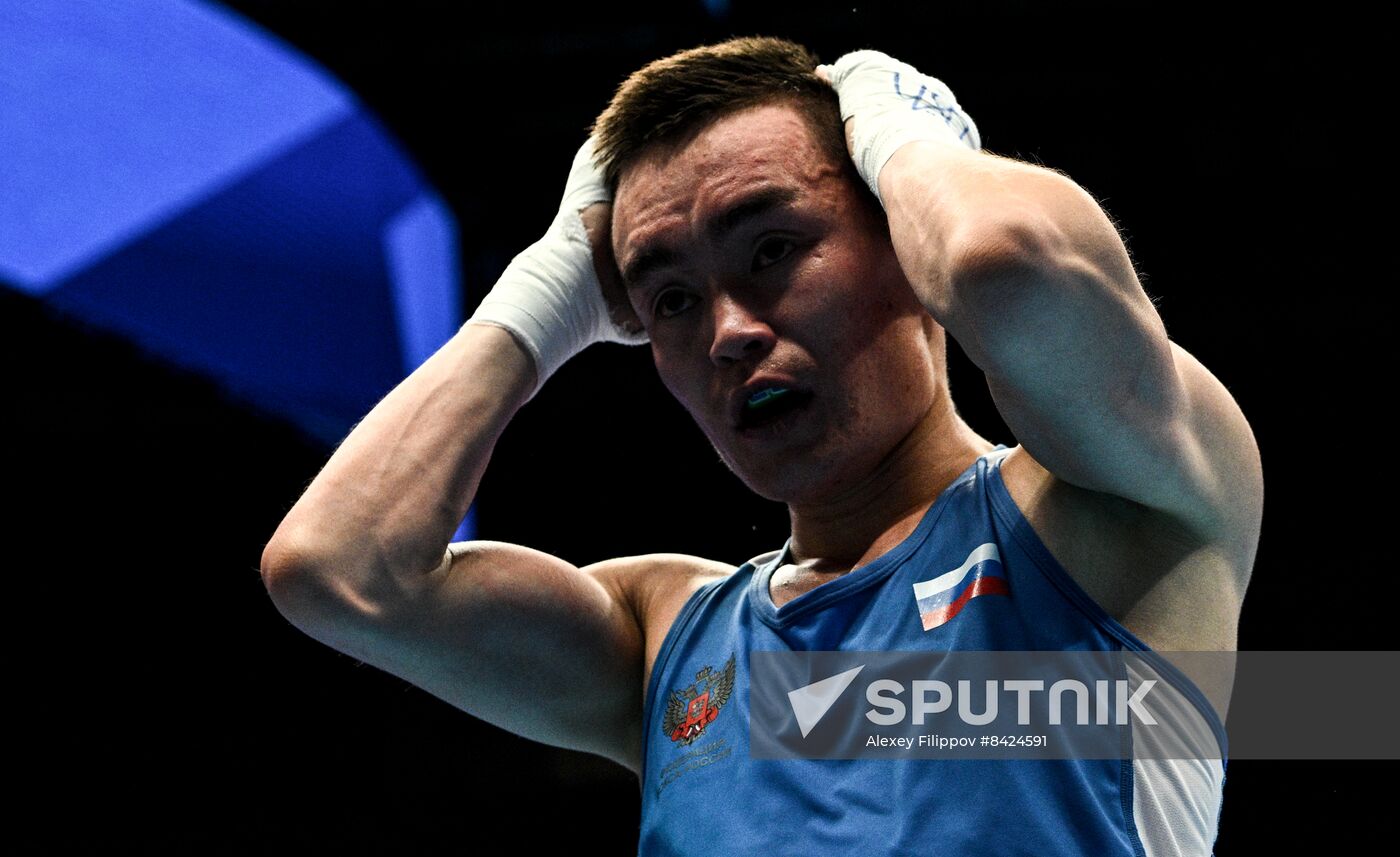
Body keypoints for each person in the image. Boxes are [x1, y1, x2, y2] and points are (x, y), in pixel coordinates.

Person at [260, 37, 1262, 855]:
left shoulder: (1106, 512)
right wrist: (544, 291)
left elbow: (999, 262)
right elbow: (337, 570)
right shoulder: (665, 637)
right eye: (673, 299)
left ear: (902, 245)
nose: (727, 330)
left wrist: (901, 137)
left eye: (772, 248)